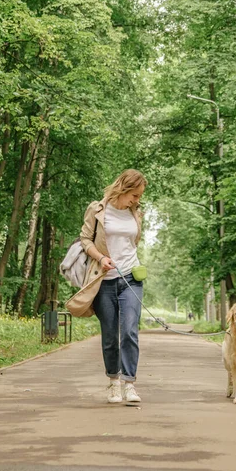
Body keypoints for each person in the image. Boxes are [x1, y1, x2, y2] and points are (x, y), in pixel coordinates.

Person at [80, 169, 147, 404]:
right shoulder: (97, 209)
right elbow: (85, 239)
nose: (137, 200)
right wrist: (100, 258)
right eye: (135, 195)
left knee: (129, 330)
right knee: (110, 335)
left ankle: (130, 384)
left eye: (139, 196)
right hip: (103, 281)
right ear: (123, 188)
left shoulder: (136, 213)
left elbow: (132, 243)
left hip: (131, 278)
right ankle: (113, 383)